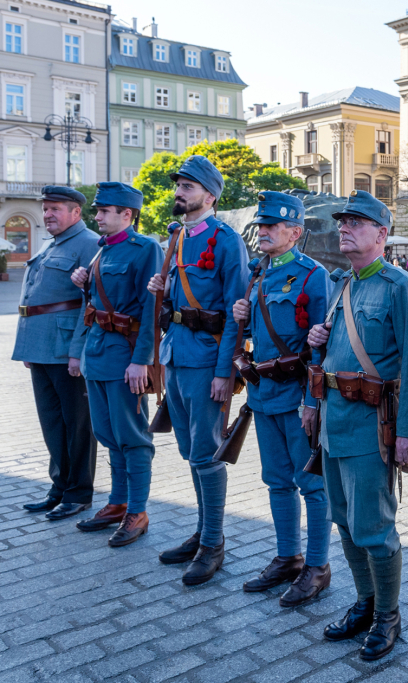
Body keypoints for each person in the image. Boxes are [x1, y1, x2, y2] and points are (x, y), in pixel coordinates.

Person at [307, 190, 408, 660]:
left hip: (373, 425)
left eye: (356, 222)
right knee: (344, 520)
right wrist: (312, 402)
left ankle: (387, 617)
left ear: (381, 234)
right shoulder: (343, 284)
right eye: (343, 222)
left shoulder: (400, 287)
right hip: (334, 422)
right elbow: (328, 357)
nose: (345, 229)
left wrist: (407, 433)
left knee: (374, 527)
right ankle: (365, 602)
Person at [146, 155, 249, 586]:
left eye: (187, 187)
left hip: (208, 362)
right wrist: (163, 292)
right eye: (178, 186)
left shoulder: (226, 241)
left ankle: (213, 544)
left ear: (209, 195)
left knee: (207, 454)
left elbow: (234, 315)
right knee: (191, 452)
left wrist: (225, 371)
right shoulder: (176, 236)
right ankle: (203, 532)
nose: (179, 192)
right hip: (176, 355)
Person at [231, 192, 332, 606]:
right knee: (276, 481)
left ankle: (318, 566)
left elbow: (322, 345)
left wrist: (313, 400)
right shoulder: (257, 275)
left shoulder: (313, 275)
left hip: (296, 397)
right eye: (262, 226)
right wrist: (243, 318)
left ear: (296, 232)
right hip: (263, 393)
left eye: (272, 226)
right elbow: (257, 337)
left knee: (311, 483)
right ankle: (288, 556)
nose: (264, 232)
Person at [71, 183, 162, 545]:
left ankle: (137, 511)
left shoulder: (145, 250)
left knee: (133, 438)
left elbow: (150, 311)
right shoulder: (100, 252)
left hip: (126, 358)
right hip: (98, 356)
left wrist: (142, 361)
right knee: (107, 435)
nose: (98, 217)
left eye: (104, 211)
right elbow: (94, 306)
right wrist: (83, 284)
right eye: (98, 211)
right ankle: (117, 502)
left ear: (128, 214)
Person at [15, 186, 99, 520]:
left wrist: (78, 351)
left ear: (75, 212)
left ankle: (79, 493)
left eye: (55, 209)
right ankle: (59, 487)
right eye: (45, 209)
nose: (47, 214)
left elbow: (88, 304)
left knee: (77, 424)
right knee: (52, 422)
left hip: (66, 350)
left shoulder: (89, 244)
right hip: (40, 347)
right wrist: (27, 345)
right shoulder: (53, 244)